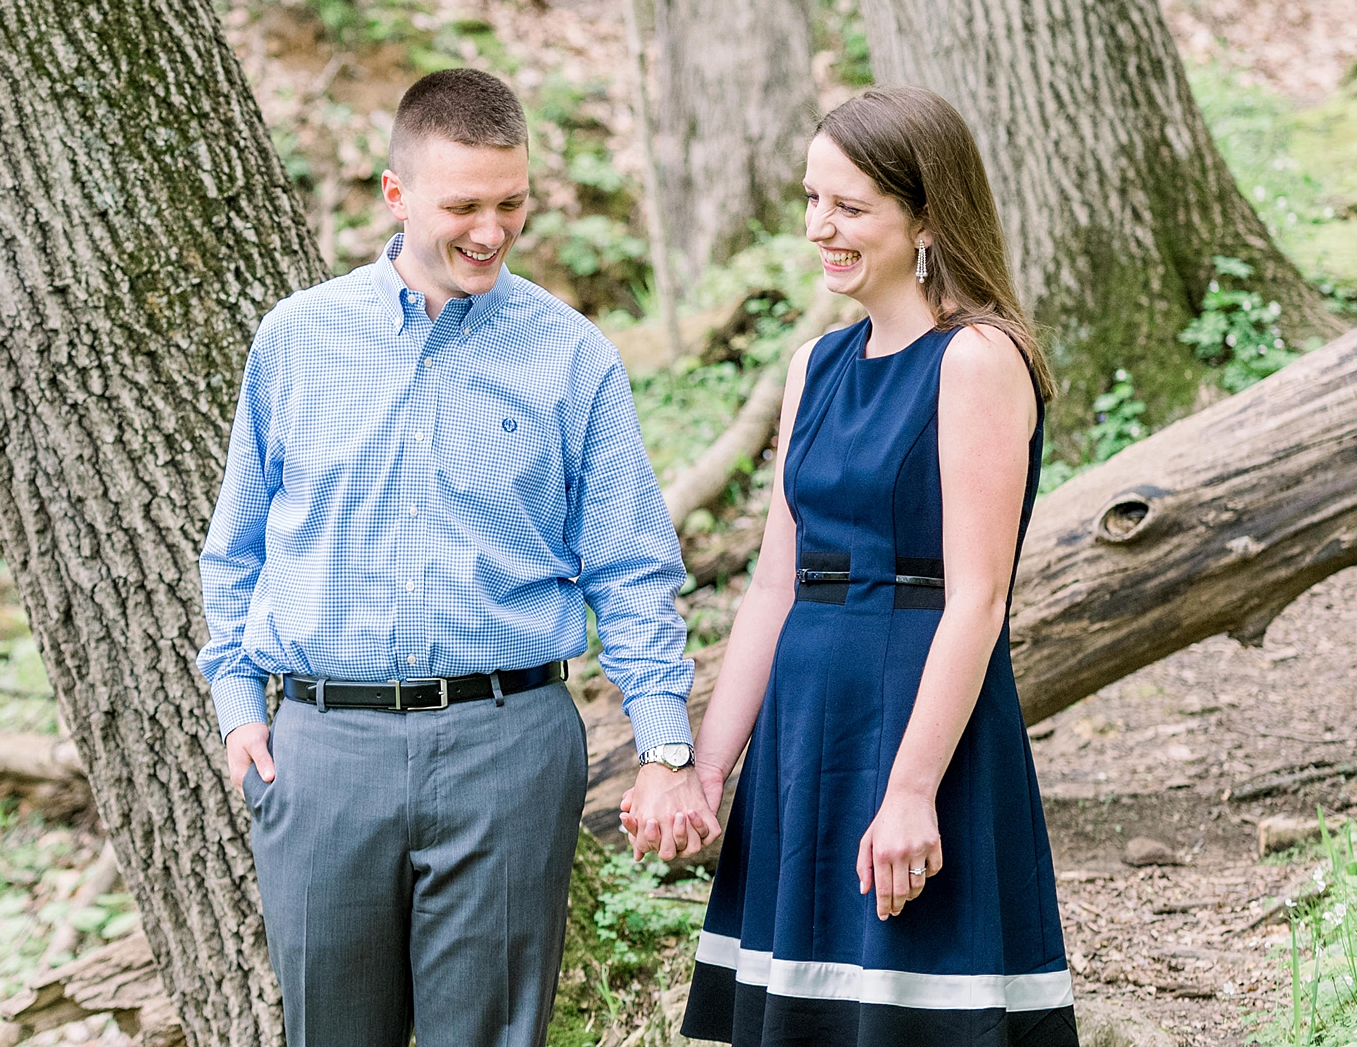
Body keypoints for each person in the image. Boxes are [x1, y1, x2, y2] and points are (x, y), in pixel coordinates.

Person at [199, 67, 719, 1047]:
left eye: (512, 203)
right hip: (324, 751)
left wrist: (663, 746)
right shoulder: (297, 342)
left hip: (506, 747)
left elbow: (631, 570)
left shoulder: (572, 357)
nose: (491, 231)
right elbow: (235, 548)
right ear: (396, 197)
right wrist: (237, 708)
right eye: (464, 206)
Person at [676, 85, 1078, 1047]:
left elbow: (978, 600)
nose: (822, 227)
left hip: (915, 717)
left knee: (914, 1011)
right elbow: (774, 585)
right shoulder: (814, 365)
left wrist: (909, 791)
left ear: (927, 215)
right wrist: (709, 769)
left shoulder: (977, 359)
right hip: (804, 724)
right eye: (812, 200)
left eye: (850, 207)